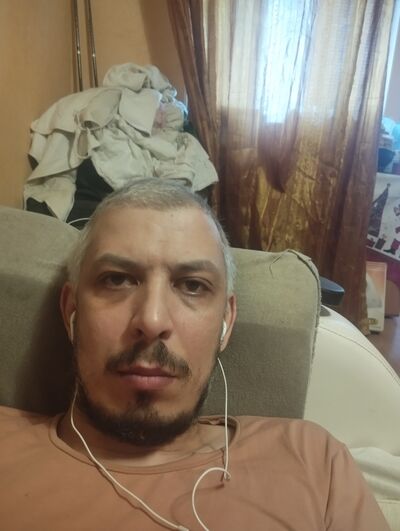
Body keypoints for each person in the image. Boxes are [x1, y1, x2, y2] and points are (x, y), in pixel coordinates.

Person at [0, 178, 389, 531]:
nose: (152, 320)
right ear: (71, 311)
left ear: (226, 323)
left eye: (192, 285)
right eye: (117, 279)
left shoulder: (314, 461)